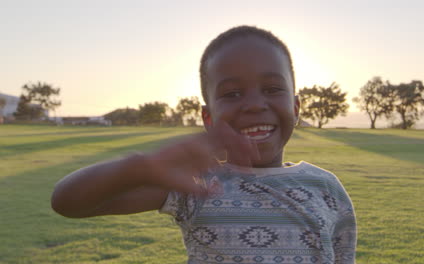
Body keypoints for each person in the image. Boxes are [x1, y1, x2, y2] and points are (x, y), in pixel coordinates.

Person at [51, 25, 357, 264]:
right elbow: (67, 202)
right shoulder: (194, 184)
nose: (253, 105)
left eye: (273, 88)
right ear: (208, 117)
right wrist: (142, 167)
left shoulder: (326, 189)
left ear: (296, 106)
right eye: (232, 94)